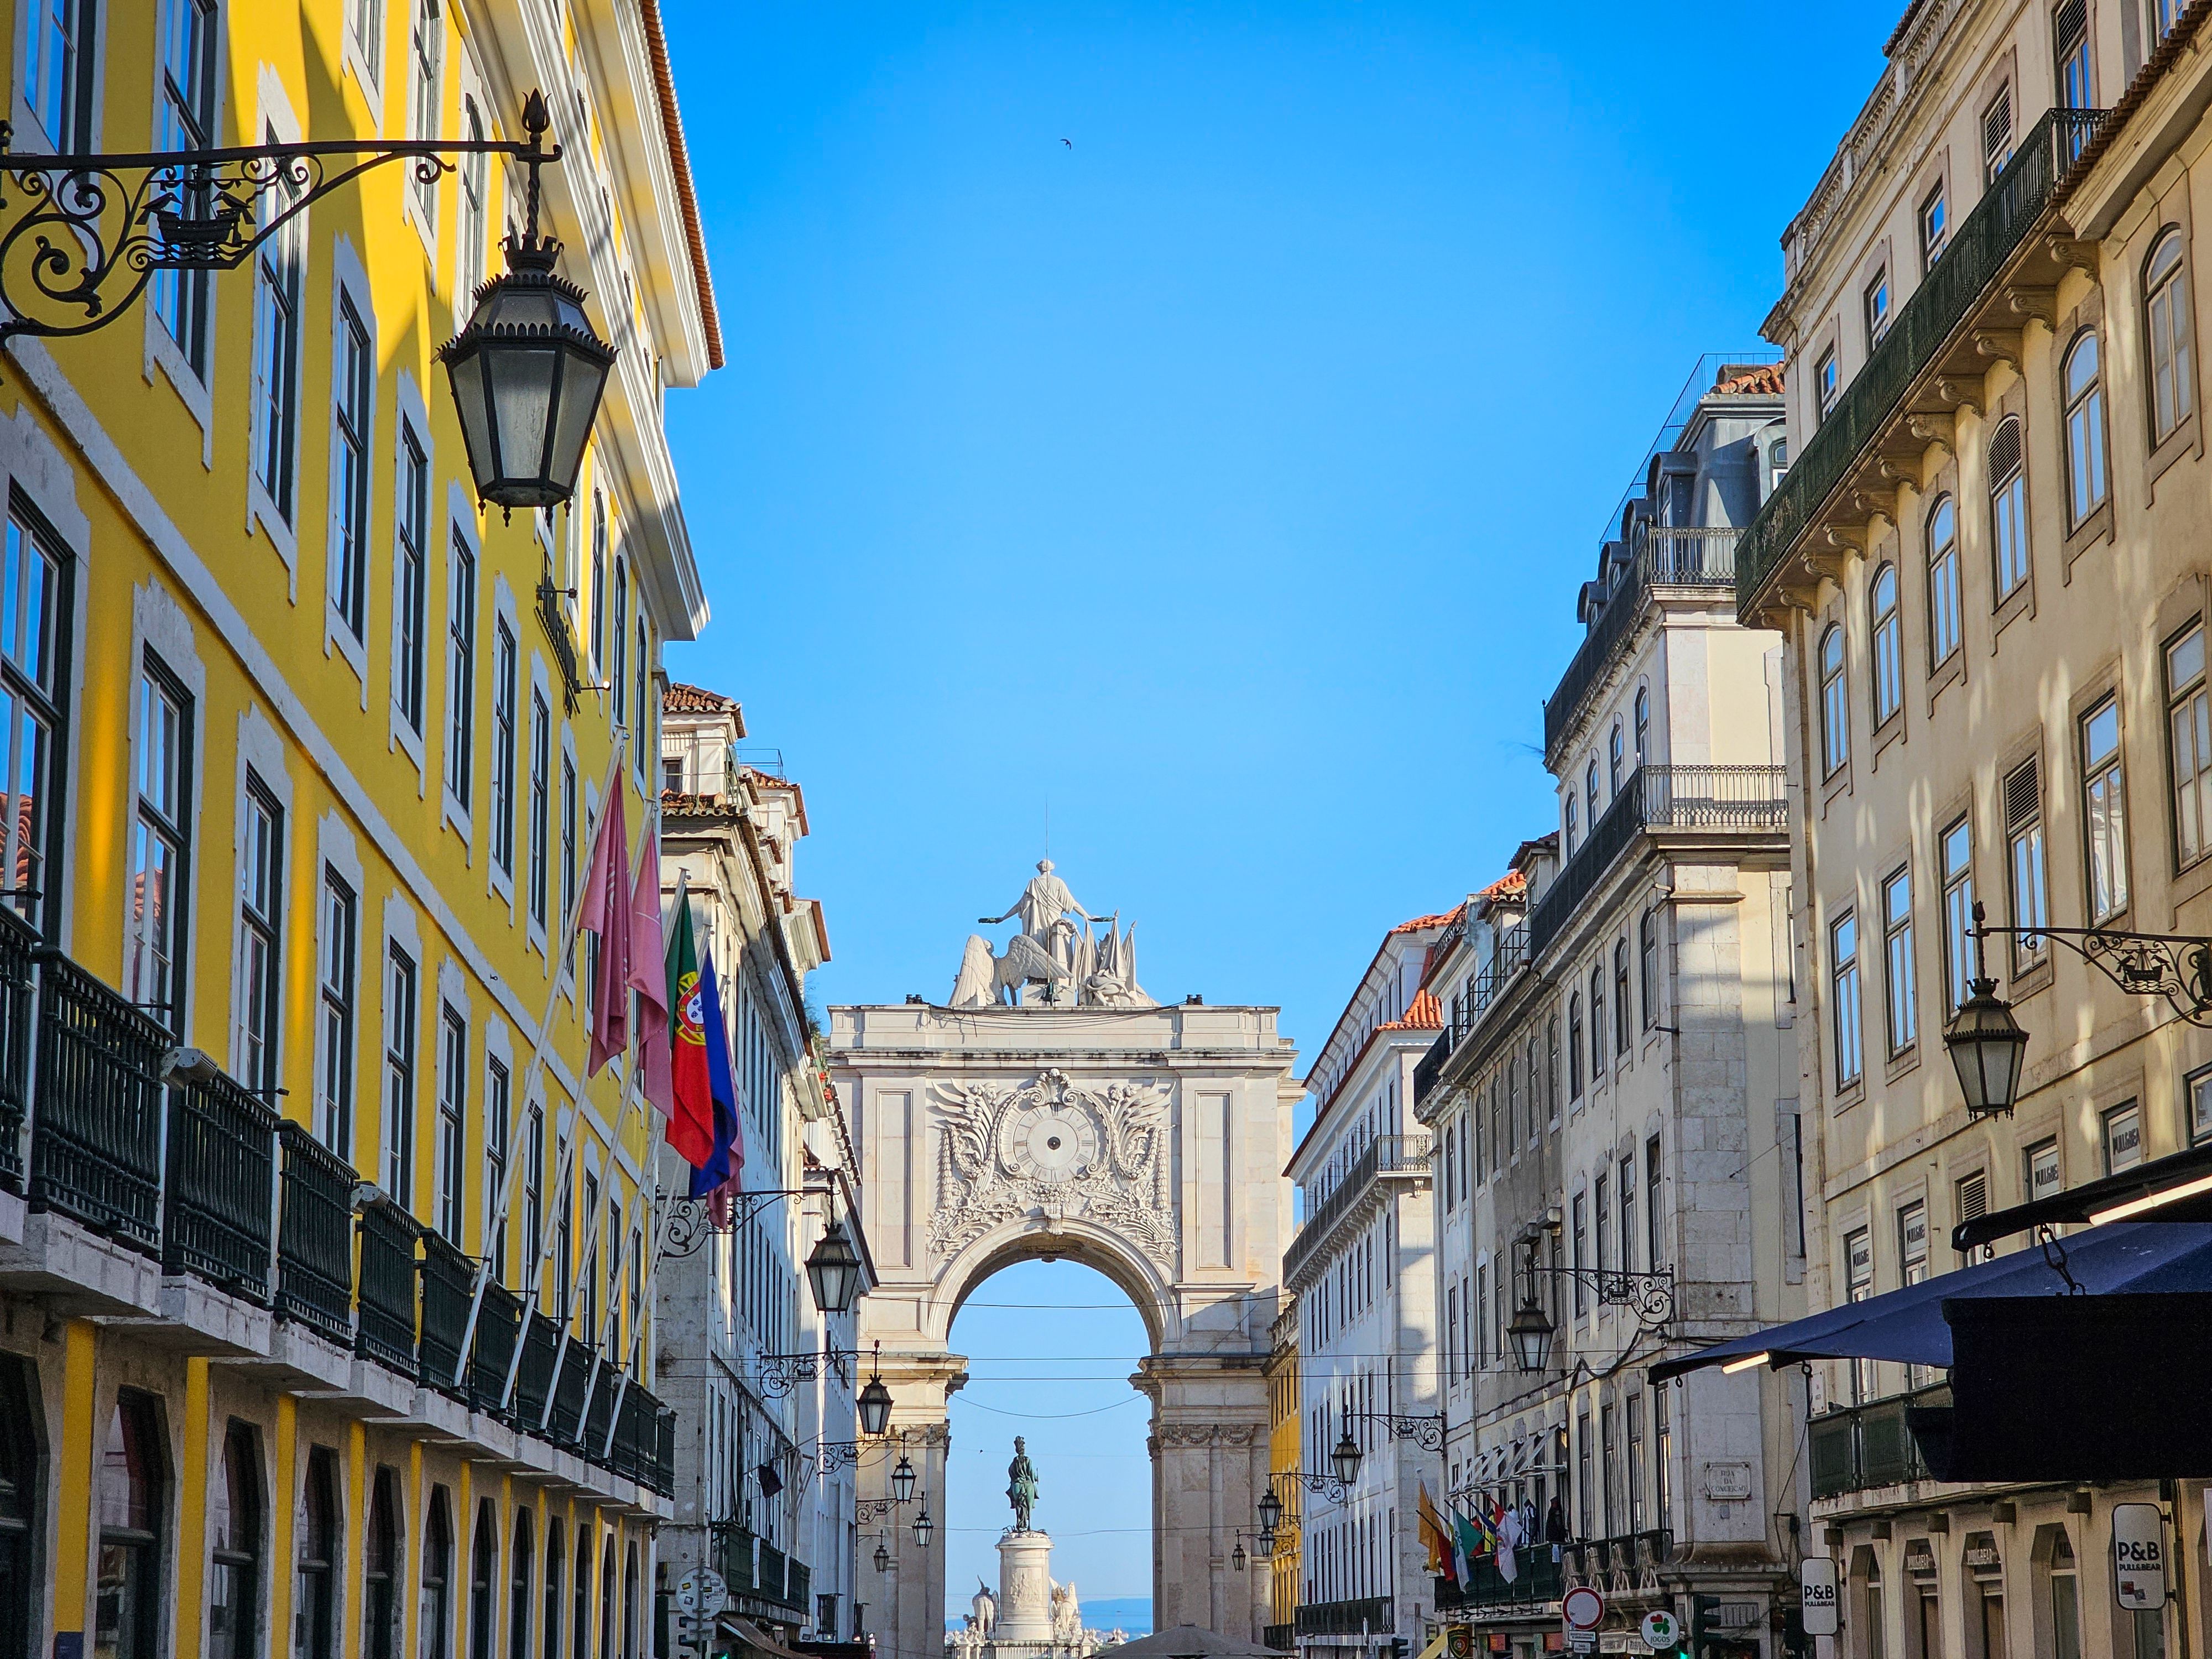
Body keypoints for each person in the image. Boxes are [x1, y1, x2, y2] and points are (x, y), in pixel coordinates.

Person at [1007, 1436, 1040, 1532]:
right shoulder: (1028, 1460)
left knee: (1012, 1496)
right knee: (1033, 1496)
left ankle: (1013, 1505)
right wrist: (1035, 1478)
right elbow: (1031, 1472)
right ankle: (1029, 1526)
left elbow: (1010, 1471)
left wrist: (1014, 1478)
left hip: (1018, 1483)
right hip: (1027, 1483)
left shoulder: (1015, 1461)